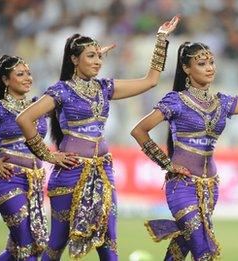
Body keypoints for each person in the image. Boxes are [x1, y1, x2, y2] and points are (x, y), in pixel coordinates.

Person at [16, 16, 179, 260]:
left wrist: (161, 39)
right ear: (73, 59)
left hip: (103, 172)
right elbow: (24, 119)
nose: (98, 61)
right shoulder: (62, 91)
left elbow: (150, 81)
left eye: (99, 56)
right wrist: (48, 155)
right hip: (70, 173)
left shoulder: (105, 87)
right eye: (91, 56)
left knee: (109, 242)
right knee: (57, 242)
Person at [131, 42, 238, 260]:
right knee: (203, 251)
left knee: (181, 248)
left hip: (210, 187)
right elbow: (139, 130)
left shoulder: (222, 102)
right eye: (201, 63)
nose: (210, 68)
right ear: (186, 69)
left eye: (211, 62)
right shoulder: (176, 101)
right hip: (182, 186)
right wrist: (167, 164)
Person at [0, 55, 49, 260]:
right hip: (8, 180)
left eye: (28, 73)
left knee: (18, 250)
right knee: (27, 245)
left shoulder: (38, 105)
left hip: (36, 182)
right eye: (20, 74)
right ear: (5, 80)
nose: (27, 78)